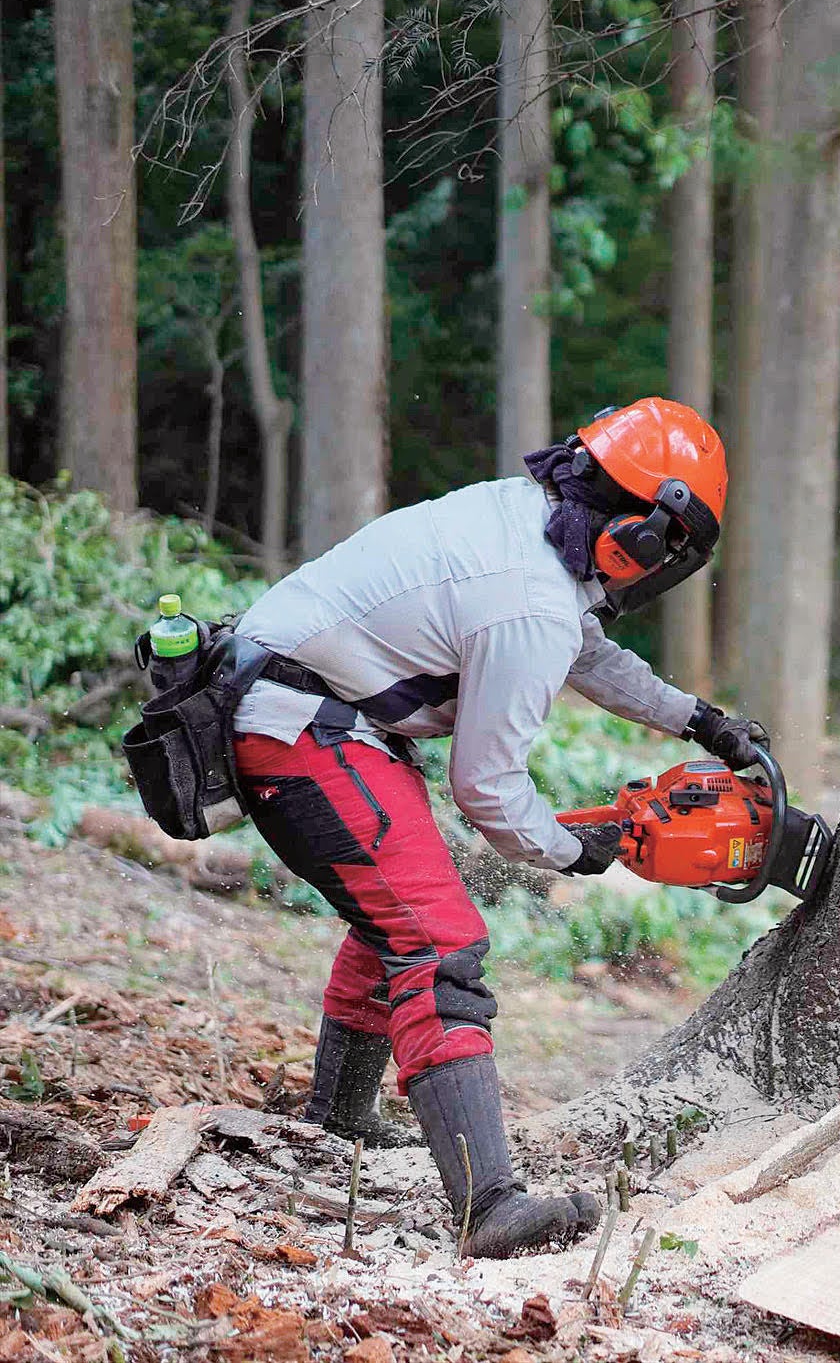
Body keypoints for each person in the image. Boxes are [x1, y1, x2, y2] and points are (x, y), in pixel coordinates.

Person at [229, 399, 764, 1257]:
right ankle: (489, 1206)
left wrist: (698, 720)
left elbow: (584, 649)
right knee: (438, 938)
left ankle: (337, 1117)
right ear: (646, 536)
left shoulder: (524, 527)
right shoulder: (527, 599)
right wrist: (570, 850)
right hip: (300, 725)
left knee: (400, 911)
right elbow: (484, 786)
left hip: (317, 712)